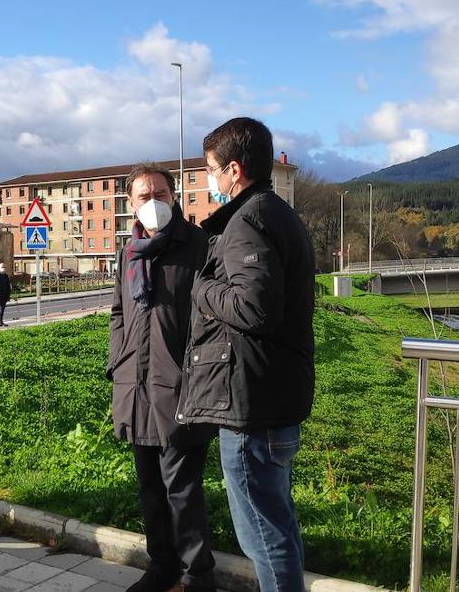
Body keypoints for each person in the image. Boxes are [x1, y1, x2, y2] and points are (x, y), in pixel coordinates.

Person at [177, 118, 316, 592]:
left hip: (251, 407)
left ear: (234, 170)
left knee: (262, 534)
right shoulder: (277, 212)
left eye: (212, 170)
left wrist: (202, 289)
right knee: (278, 524)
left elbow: (253, 308)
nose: (210, 180)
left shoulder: (247, 221)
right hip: (273, 397)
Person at [108, 165, 215, 592]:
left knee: (182, 490)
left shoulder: (199, 246)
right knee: (150, 487)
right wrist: (119, 361)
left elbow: (211, 318)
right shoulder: (129, 251)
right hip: (135, 385)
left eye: (159, 192)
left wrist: (199, 371)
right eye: (142, 195)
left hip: (181, 387)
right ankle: (162, 566)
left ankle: (198, 575)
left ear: (174, 197)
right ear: (130, 204)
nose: (151, 201)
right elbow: (120, 312)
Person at [0, 262, 12, 326]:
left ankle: (1, 321)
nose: (3, 268)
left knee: (2, 309)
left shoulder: (6, 276)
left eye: (4, 267)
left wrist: (8, 295)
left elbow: (8, 286)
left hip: (4, 295)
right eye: (2, 267)